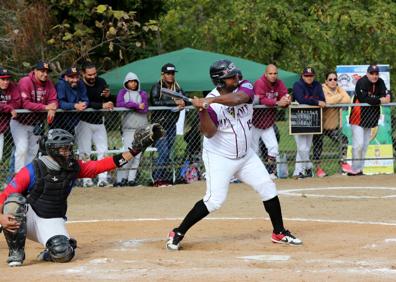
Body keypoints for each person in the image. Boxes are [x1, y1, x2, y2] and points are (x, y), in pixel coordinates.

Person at [166, 59, 302, 251]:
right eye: (230, 77)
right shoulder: (211, 106)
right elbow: (209, 133)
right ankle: (178, 232)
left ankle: (279, 232)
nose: (236, 78)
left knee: (267, 187)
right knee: (214, 201)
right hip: (220, 158)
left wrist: (209, 100)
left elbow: (239, 99)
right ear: (220, 81)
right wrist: (202, 110)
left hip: (246, 156)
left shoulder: (244, 86)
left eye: (236, 74)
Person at [0, 125, 164, 267]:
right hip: (26, 218)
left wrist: (134, 150)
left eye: (69, 148)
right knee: (14, 201)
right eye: (63, 149)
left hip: (51, 219)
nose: (68, 152)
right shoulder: (32, 170)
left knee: (63, 253)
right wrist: (1, 218)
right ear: (52, 150)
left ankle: (49, 251)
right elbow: (4, 196)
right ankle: (16, 253)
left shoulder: (73, 166)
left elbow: (102, 165)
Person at [11, 61, 58, 174]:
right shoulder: (25, 81)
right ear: (35, 71)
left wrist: (53, 107)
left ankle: (27, 177)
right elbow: (25, 104)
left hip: (36, 124)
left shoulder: (49, 83)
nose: (45, 74)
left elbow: (54, 99)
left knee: (33, 151)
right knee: (22, 149)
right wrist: (46, 107)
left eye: (47, 72)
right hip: (20, 122)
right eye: (42, 71)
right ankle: (18, 178)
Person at [77, 61, 115, 187]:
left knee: (103, 151)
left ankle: (102, 179)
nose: (93, 77)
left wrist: (108, 98)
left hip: (99, 121)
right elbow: (84, 102)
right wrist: (101, 105)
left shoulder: (101, 81)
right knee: (85, 152)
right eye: (89, 75)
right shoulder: (79, 84)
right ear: (83, 73)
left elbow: (106, 99)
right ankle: (86, 179)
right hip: (84, 122)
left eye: (94, 74)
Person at [348, 64, 390, 176]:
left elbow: (387, 95)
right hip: (358, 117)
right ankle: (354, 169)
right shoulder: (361, 82)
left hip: (370, 118)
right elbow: (364, 98)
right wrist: (380, 100)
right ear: (367, 73)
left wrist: (382, 98)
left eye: (376, 73)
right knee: (358, 144)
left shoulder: (380, 82)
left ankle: (360, 169)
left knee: (365, 145)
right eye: (372, 73)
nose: (374, 76)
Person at [252, 64, 291, 179]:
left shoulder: (279, 83)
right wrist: (277, 102)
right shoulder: (260, 82)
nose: (273, 76)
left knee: (273, 147)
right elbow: (261, 99)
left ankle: (270, 171)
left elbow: (284, 95)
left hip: (267, 122)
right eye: (270, 73)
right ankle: (254, 173)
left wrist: (287, 100)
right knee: (254, 150)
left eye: (275, 73)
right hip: (254, 122)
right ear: (265, 74)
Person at [149, 63, 185, 187]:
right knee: (163, 152)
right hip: (160, 124)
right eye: (168, 73)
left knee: (168, 152)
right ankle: (158, 178)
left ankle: (164, 177)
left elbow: (184, 98)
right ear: (162, 74)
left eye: (172, 73)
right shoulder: (157, 86)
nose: (170, 76)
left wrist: (182, 102)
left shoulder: (177, 87)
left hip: (172, 124)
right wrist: (174, 102)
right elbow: (155, 102)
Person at [312, 71, 352, 177]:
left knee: (344, 140)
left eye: (335, 79)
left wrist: (336, 97)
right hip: (319, 125)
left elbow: (348, 100)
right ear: (326, 81)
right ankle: (318, 168)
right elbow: (326, 101)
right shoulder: (321, 89)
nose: (333, 81)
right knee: (317, 147)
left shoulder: (338, 89)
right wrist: (338, 98)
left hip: (332, 126)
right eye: (330, 79)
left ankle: (343, 162)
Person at [114, 72, 149, 187]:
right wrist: (135, 105)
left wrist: (130, 106)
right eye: (130, 81)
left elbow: (144, 109)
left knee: (137, 155)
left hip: (141, 129)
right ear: (126, 82)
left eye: (135, 81)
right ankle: (122, 178)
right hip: (128, 129)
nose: (133, 84)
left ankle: (131, 179)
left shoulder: (142, 93)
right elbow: (119, 104)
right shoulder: (123, 92)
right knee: (128, 154)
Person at [292, 67, 326, 179]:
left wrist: (312, 100)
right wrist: (315, 101)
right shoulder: (297, 85)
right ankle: (308, 166)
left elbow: (323, 99)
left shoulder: (317, 85)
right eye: (306, 75)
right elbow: (301, 99)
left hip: (312, 117)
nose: (309, 78)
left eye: (311, 75)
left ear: (314, 76)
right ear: (302, 76)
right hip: (299, 118)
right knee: (302, 147)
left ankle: (298, 172)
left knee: (306, 146)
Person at [54, 67, 89, 135]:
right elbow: (60, 103)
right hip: (59, 121)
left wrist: (84, 104)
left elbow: (86, 99)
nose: (75, 80)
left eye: (77, 77)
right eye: (72, 77)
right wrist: (75, 105)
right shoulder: (61, 84)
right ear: (66, 77)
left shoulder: (80, 83)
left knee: (71, 143)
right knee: (59, 144)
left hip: (73, 121)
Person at [0, 68, 20, 161]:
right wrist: (9, 108)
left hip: (2, 129)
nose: (6, 82)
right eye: (3, 79)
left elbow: (17, 102)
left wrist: (6, 107)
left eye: (7, 79)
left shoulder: (12, 87)